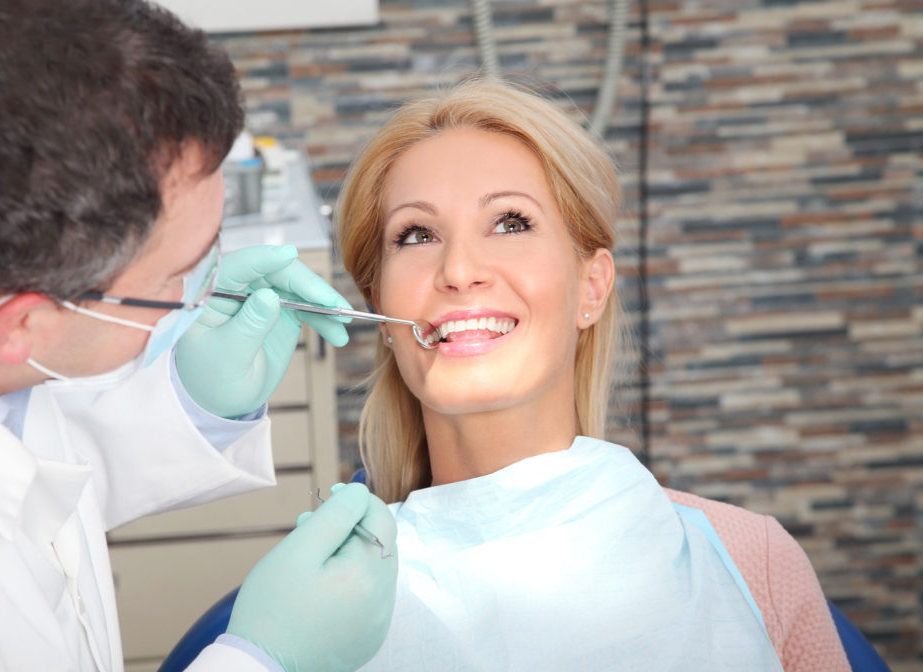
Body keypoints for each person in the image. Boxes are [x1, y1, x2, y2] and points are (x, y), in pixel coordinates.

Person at [0, 1, 396, 671]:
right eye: (181, 275)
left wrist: (196, 403)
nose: (207, 289)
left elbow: (39, 480)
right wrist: (262, 661)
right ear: (21, 323)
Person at [335, 79, 850, 671]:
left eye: (510, 222)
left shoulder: (752, 561)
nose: (459, 269)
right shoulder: (324, 603)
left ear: (592, 286)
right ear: (379, 307)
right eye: (417, 235)